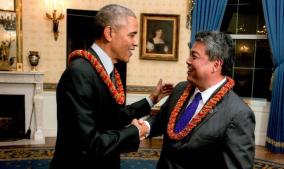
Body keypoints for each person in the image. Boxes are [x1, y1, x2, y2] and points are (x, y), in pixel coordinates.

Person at [49, 4, 173, 169]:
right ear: (109, 33)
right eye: (132, 35)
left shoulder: (105, 70)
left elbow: (113, 116)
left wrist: (151, 99)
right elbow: (89, 145)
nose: (136, 43)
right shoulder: (80, 72)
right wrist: (135, 132)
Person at [145, 31, 255, 169]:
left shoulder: (238, 114)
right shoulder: (180, 89)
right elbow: (161, 120)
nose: (187, 60)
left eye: (194, 56)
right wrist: (144, 127)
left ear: (216, 65)